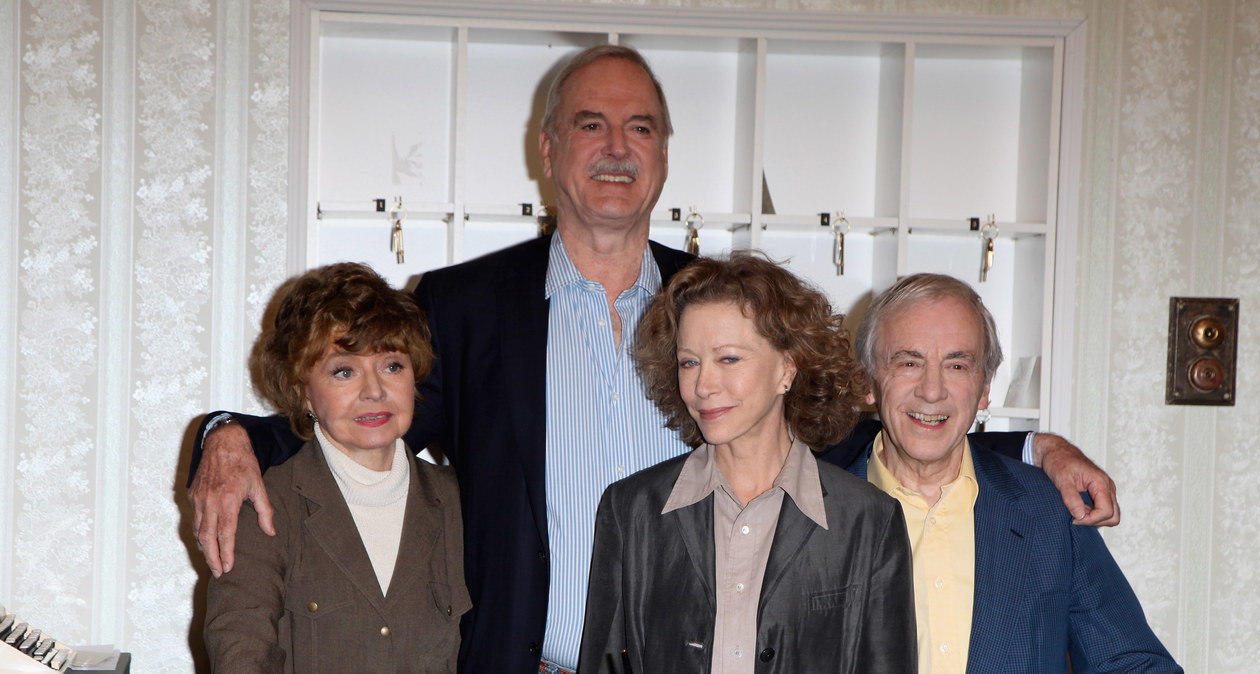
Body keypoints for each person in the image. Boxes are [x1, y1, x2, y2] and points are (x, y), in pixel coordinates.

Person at [187, 45, 1118, 673]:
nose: (616, 148)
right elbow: (365, 425)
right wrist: (231, 435)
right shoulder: (465, 307)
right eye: (591, 124)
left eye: (640, 129)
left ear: (665, 155)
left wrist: (1029, 452)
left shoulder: (719, 311)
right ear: (548, 148)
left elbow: (880, 422)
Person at [579, 254, 915, 673]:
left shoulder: (868, 520)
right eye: (689, 362)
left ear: (788, 368)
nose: (703, 385)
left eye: (729, 359)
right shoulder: (632, 509)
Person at [846, 273, 1180, 674]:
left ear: (984, 388)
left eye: (956, 364)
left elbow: (1135, 665)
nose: (932, 390)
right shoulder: (811, 516)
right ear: (868, 382)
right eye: (908, 362)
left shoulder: (1050, 513)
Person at [203, 263, 470, 672]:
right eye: (344, 371)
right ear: (302, 392)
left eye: (392, 366)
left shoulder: (460, 500)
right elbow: (241, 646)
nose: (375, 391)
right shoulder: (267, 505)